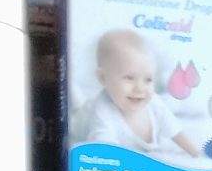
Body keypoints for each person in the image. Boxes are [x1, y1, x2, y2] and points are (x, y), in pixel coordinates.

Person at [84, 30, 197, 158]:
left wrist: (196, 153)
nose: (140, 88)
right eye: (129, 78)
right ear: (103, 77)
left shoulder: (155, 103)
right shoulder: (102, 110)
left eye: (148, 80)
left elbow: (176, 132)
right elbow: (104, 151)